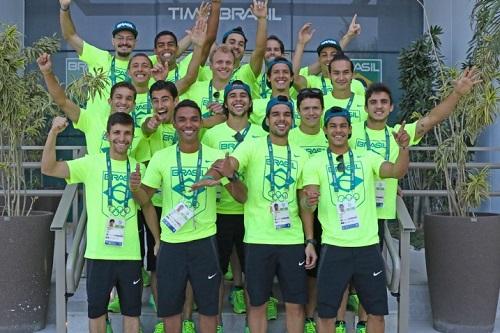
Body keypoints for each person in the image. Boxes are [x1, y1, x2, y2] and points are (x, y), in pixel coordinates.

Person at [193, 96, 317, 333]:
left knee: (295, 305)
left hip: (291, 240)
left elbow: (304, 204)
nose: (281, 119)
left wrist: (310, 239)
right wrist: (212, 176)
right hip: (258, 240)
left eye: (286, 115)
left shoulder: (302, 155)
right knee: (257, 303)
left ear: (292, 119)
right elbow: (228, 164)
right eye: (276, 115)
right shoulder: (253, 146)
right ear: (267, 120)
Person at [131, 99, 247, 333]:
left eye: (194, 119)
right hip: (171, 244)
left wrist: (231, 177)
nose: (189, 125)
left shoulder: (216, 156)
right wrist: (136, 190)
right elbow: (145, 202)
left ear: (201, 123)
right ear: (173, 123)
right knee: (171, 310)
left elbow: (241, 198)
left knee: (208, 310)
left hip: (205, 242)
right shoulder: (161, 158)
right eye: (182, 119)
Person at [41, 113, 160, 333]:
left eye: (127, 133)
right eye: (116, 132)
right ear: (107, 135)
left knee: (132, 314)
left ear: (133, 136)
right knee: (96, 313)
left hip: (130, 255)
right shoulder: (91, 163)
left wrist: (157, 240)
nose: (122, 138)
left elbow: (147, 205)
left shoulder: (138, 168)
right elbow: (48, 168)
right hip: (97, 255)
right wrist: (53, 133)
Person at [300, 106, 411, 333]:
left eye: (342, 126)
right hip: (334, 247)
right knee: (327, 315)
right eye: (332, 126)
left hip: (367, 247)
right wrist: (308, 200)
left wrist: (403, 149)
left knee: (376, 314)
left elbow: (395, 172)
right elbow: (306, 204)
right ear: (325, 130)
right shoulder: (315, 163)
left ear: (350, 129)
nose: (338, 131)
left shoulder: (367, 157)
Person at [202, 80, 266, 331]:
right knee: (215, 273)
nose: (238, 100)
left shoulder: (261, 134)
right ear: (225, 103)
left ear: (250, 102)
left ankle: (252, 325)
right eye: (233, 96)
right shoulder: (212, 135)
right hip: (219, 213)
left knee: (254, 276)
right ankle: (216, 325)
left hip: (253, 213)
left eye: (243, 95)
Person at [287, 88, 328, 333]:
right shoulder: (288, 137)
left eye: (315, 108)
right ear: (298, 111)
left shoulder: (331, 135)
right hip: (291, 213)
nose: (311, 113)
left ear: (322, 110)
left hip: (325, 213)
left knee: (314, 270)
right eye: (306, 108)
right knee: (294, 268)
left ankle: (310, 317)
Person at [292, 19, 365, 97]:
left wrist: (348, 36)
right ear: (319, 59)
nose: (329, 58)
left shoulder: (357, 85)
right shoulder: (312, 82)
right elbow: (294, 79)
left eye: (333, 55)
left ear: (340, 57)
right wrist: (301, 44)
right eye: (324, 55)